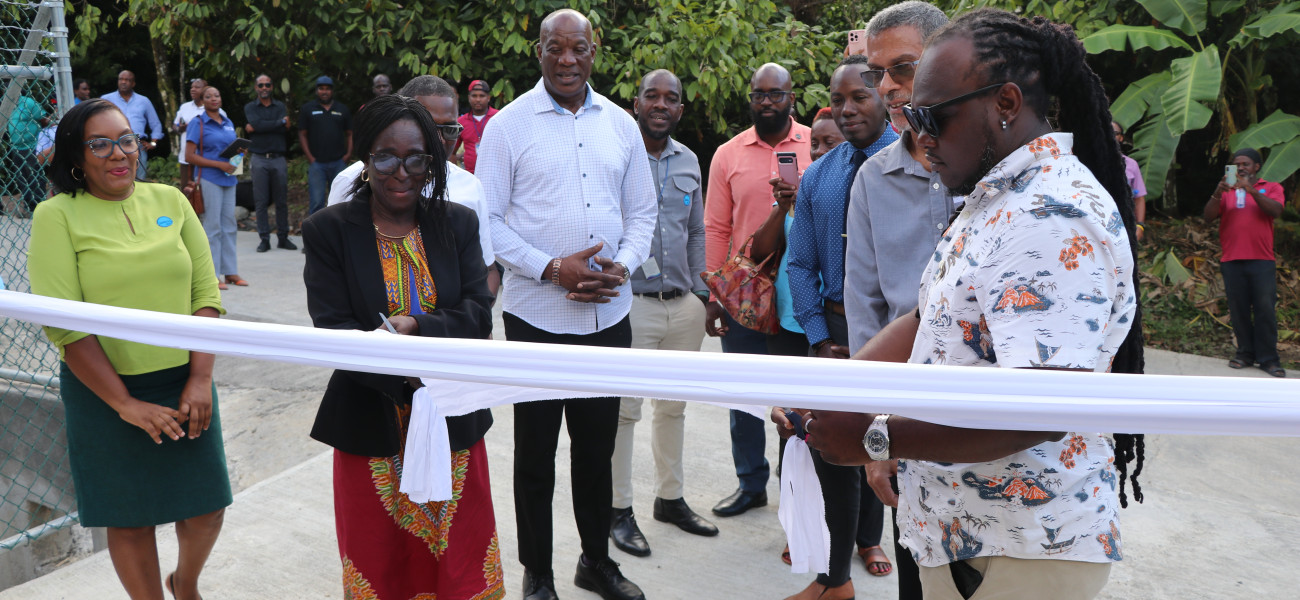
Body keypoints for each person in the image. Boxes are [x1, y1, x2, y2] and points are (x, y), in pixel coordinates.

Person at [806, 9, 1147, 600]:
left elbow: (1041, 406)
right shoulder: (994, 198)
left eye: (933, 116)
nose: (921, 135)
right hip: (967, 532)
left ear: (1006, 104)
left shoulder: (1051, 215)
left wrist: (879, 437)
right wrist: (837, 398)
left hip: (1024, 545)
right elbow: (926, 320)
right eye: (912, 117)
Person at [478, 9, 656, 600]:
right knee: (534, 455)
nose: (567, 60)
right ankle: (538, 572)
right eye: (555, 48)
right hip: (536, 319)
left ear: (593, 51)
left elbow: (642, 214)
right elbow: (489, 221)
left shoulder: (622, 125)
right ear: (538, 52)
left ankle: (593, 562)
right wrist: (553, 268)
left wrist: (620, 267)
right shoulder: (507, 127)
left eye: (578, 48)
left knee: (596, 452)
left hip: (609, 315)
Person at [302, 93, 501, 600]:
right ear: (365, 160)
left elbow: (479, 316)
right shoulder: (328, 231)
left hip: (453, 419)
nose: (402, 172)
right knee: (380, 561)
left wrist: (414, 326)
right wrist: (410, 379)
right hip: (370, 421)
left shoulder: (457, 223)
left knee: (458, 559)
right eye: (386, 157)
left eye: (417, 158)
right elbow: (333, 330)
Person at [29, 97, 230, 600]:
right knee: (129, 520)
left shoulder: (171, 201)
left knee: (207, 508)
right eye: (100, 144)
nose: (118, 153)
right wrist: (125, 404)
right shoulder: (55, 216)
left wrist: (201, 378)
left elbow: (205, 296)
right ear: (75, 156)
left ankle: (185, 584)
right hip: (103, 393)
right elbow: (65, 326)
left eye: (126, 139)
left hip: (185, 380)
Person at [773, 55, 900, 600]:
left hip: (899, 338)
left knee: (890, 450)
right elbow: (800, 263)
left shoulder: (916, 165)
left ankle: (874, 545)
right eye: (838, 99)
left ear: (886, 97)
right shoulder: (820, 175)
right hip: (833, 333)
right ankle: (834, 579)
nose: (847, 111)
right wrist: (818, 336)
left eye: (860, 98)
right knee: (834, 453)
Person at [843, 3, 952, 597]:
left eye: (902, 68)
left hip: (994, 424)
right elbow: (865, 310)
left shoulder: (994, 172)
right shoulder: (871, 179)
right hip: (906, 421)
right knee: (918, 579)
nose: (885, 86)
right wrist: (875, 428)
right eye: (875, 71)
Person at [608, 68, 717, 560]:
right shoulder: (616, 154)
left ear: (680, 109)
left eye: (670, 98)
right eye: (650, 95)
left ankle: (669, 499)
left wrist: (701, 291)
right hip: (631, 304)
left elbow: (697, 231)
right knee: (624, 412)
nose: (660, 104)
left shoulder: (691, 160)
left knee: (673, 407)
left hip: (683, 306)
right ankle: (618, 510)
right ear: (636, 103)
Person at [703, 62, 811, 519]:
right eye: (759, 94)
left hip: (800, 292)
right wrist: (714, 295)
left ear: (791, 97)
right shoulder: (728, 153)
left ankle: (799, 490)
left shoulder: (817, 143)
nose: (767, 101)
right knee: (745, 397)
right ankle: (751, 484)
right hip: (746, 296)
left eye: (777, 93)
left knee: (799, 402)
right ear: (750, 99)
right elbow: (715, 226)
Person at [327, 75, 498, 297]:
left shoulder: (469, 187)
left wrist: (476, 319)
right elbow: (333, 272)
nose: (439, 139)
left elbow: (487, 270)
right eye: (427, 125)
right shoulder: (352, 181)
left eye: (449, 129)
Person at [1204, 148, 1287, 377]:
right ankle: (1244, 354)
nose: (1240, 168)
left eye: (1246, 164)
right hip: (1231, 259)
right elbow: (1208, 217)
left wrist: (1251, 190)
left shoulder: (1271, 187)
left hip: (1261, 260)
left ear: (1256, 167)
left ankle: (1269, 360)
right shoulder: (1227, 191)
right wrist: (1217, 192)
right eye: (1236, 164)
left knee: (1265, 311)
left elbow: (1276, 210)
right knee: (1238, 311)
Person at [185, 86, 247, 291]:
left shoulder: (227, 122)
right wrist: (219, 164)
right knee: (212, 227)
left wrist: (239, 152)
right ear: (202, 101)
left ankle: (230, 271)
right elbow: (190, 156)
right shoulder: (198, 123)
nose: (214, 98)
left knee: (229, 224)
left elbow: (229, 150)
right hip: (209, 178)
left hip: (230, 178)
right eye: (208, 96)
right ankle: (212, 274)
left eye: (217, 95)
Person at [245, 74, 296, 252]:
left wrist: (258, 127)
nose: (264, 87)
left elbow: (258, 126)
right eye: (261, 85)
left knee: (281, 200)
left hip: (278, 159)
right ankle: (264, 239)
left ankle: (283, 237)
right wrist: (278, 123)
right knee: (261, 201)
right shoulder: (250, 107)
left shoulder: (280, 106)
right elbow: (256, 124)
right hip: (259, 158)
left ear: (272, 87)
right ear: (256, 88)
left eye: (267, 84)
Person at [299, 75, 352, 216]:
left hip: (339, 163)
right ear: (317, 91)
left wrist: (347, 155)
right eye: (321, 88)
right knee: (317, 202)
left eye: (327, 89)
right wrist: (310, 158)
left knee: (341, 201)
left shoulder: (342, 109)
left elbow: (350, 133)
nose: (324, 91)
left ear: (332, 91)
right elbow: (302, 134)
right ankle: (316, 237)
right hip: (317, 165)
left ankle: (340, 236)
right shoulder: (308, 109)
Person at [101, 70, 164, 180]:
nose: (124, 82)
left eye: (127, 80)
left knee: (140, 178)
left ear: (133, 83)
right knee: (115, 176)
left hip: (137, 145)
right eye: (121, 79)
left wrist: (153, 143)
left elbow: (155, 124)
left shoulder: (143, 101)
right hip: (113, 144)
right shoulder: (106, 99)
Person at [175, 78, 225, 193]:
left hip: (206, 159)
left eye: (197, 87)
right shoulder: (185, 107)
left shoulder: (218, 111)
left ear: (205, 90)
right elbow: (175, 125)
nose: (192, 89)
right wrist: (180, 128)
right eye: (192, 87)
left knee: (203, 194)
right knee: (187, 192)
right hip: (186, 158)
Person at [5, 83, 48, 212]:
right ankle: (29, 206)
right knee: (21, 177)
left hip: (32, 145)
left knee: (34, 176)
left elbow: (43, 119)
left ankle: (39, 205)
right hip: (16, 147)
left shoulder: (28, 103)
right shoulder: (6, 105)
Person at [1113, 121, 1148, 241]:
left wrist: (1140, 226)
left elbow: (1139, 198)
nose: (1111, 136)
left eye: (1115, 133)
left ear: (1121, 138)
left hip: (1125, 224)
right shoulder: (1090, 164)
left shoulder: (1131, 165)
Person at [454, 79, 498, 174]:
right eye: (474, 96)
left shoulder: (498, 117)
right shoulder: (461, 122)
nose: (478, 99)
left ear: (488, 98)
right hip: (469, 176)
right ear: (469, 97)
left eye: (482, 96)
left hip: (494, 173)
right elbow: (450, 152)